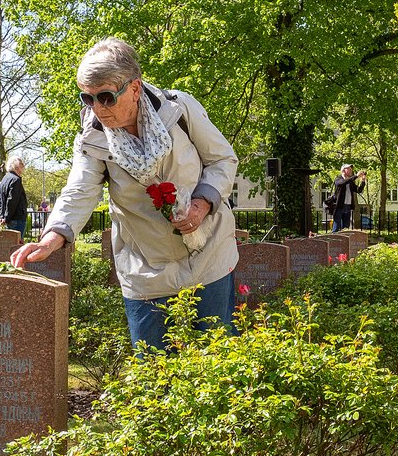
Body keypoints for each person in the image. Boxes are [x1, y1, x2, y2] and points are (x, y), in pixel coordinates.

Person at [12, 37, 238, 352]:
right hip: (145, 269)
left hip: (209, 254)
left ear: (134, 88)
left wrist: (201, 203)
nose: (97, 109)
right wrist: (51, 238)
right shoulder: (92, 139)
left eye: (105, 97)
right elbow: (79, 189)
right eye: (87, 98)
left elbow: (222, 160)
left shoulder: (180, 108)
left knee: (220, 360)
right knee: (152, 375)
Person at [0, 156, 29, 234]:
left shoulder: (3, 180)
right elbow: (12, 201)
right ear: (15, 166)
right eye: (21, 163)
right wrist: (6, 218)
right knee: (17, 244)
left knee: (9, 244)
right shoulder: (16, 180)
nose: (23, 165)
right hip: (16, 218)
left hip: (7, 218)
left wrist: (1, 217)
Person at [330, 164, 365, 231]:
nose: (351, 171)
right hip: (339, 206)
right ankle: (334, 241)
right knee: (336, 227)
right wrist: (356, 176)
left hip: (348, 206)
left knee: (346, 228)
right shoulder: (338, 179)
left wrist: (363, 181)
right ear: (343, 170)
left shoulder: (350, 182)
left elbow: (359, 190)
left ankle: (344, 241)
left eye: (351, 170)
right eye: (349, 169)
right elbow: (343, 183)